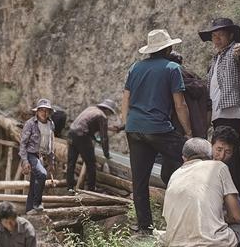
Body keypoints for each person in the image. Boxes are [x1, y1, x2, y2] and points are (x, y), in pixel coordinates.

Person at [122, 29, 193, 235]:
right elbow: (180, 105)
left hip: (134, 128)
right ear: (168, 49)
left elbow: (125, 99)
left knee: (140, 180)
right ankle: (190, 216)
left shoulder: (135, 68)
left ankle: (145, 228)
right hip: (158, 128)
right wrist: (188, 132)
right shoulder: (172, 68)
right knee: (191, 160)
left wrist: (127, 123)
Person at [199, 17, 240, 195]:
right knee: (222, 155)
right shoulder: (216, 58)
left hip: (231, 112)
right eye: (214, 36)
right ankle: (225, 194)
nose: (217, 39)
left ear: (231, 35)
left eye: (221, 35)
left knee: (229, 156)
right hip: (218, 113)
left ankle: (235, 197)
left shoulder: (233, 52)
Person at [65, 99, 117, 194]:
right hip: (82, 136)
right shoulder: (102, 116)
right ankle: (91, 189)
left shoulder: (91, 109)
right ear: (107, 110)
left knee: (71, 162)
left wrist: (95, 139)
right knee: (91, 163)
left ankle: (70, 187)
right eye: (110, 113)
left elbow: (86, 125)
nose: (109, 115)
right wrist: (106, 153)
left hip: (71, 133)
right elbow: (104, 137)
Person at [19, 98, 56, 214]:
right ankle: (37, 203)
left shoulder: (51, 124)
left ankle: (29, 210)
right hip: (31, 154)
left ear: (49, 112)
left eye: (46, 110)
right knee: (42, 174)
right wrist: (25, 161)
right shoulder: (30, 124)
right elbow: (23, 143)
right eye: (41, 110)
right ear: (37, 111)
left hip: (41, 156)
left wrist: (51, 162)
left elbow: (51, 143)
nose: (44, 113)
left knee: (34, 183)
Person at [167, 52, 210, 138]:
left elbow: (179, 106)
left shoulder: (172, 82)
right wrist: (204, 129)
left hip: (178, 133)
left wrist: (188, 132)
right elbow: (209, 108)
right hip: (200, 133)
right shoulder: (199, 81)